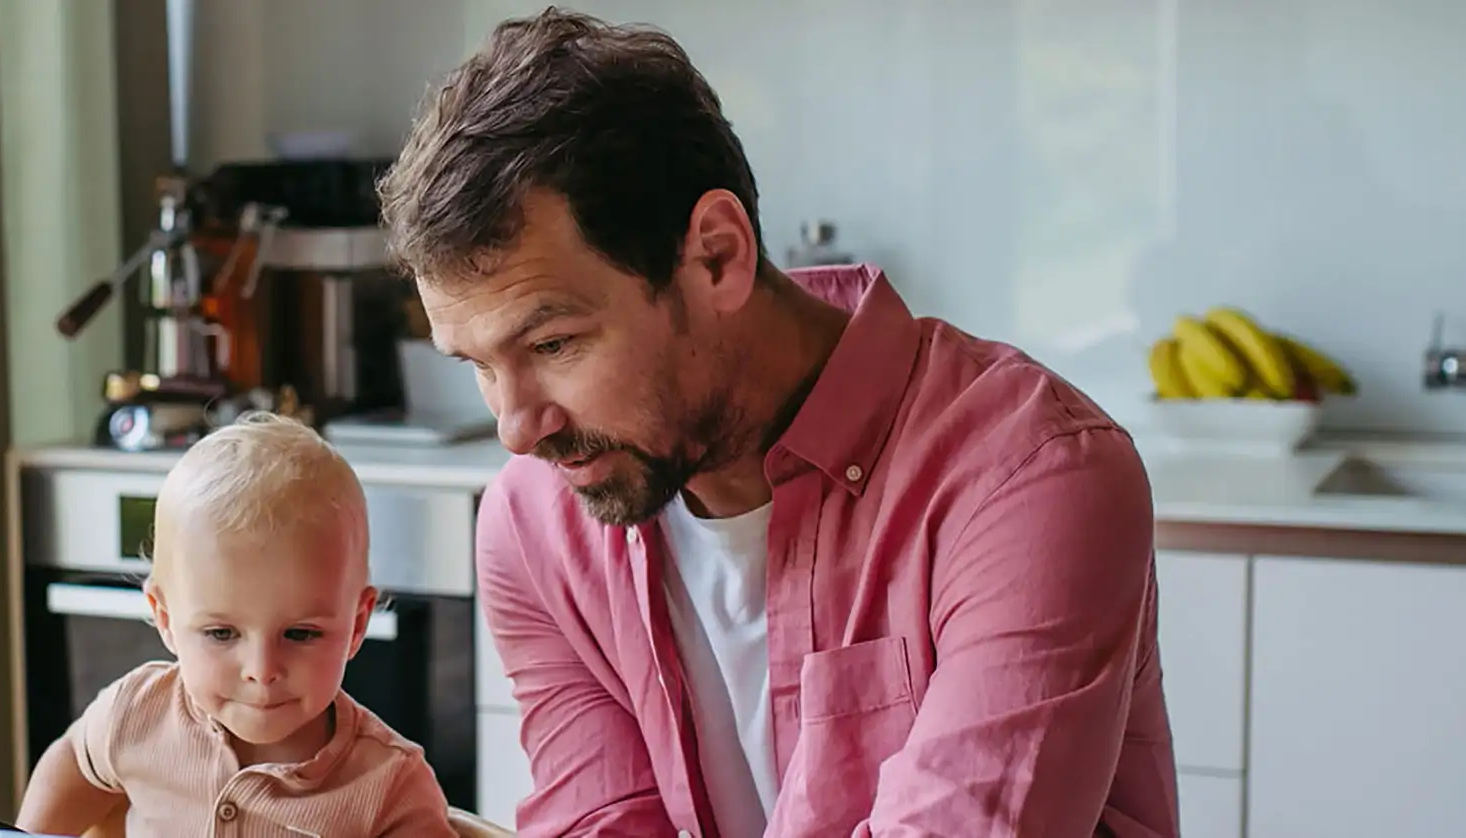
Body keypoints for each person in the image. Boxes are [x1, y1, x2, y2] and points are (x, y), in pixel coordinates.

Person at [375, 7, 1179, 837]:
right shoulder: (537, 525)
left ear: (716, 254)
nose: (515, 428)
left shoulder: (1030, 479)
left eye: (552, 342)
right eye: (473, 363)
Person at [16, 413, 457, 837]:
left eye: (300, 633)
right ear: (165, 617)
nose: (261, 670)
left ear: (358, 624)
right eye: (221, 633)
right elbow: (76, 761)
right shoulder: (135, 713)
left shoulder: (391, 785)